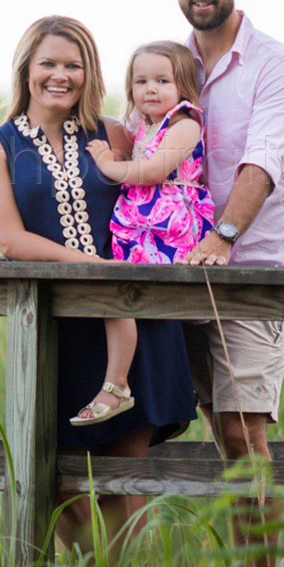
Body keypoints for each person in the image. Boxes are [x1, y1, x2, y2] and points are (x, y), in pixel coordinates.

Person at [0, 15, 198, 557]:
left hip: (132, 323)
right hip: (56, 329)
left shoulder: (114, 135)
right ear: (26, 69)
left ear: (89, 73)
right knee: (62, 486)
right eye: (48, 63)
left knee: (124, 480)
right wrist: (91, 267)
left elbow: (165, 190)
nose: (61, 76)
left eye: (73, 65)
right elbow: (9, 239)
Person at [171, 0, 284, 567]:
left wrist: (223, 236)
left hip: (257, 272)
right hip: (185, 276)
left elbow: (265, 159)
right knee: (223, 437)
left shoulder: (273, 64)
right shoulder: (173, 67)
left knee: (243, 437)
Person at [74, 41, 216, 426]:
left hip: (168, 227)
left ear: (183, 85)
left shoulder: (185, 124)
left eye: (162, 81)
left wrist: (107, 164)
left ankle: (130, 385)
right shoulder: (146, 127)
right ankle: (120, 382)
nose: (150, 89)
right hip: (142, 227)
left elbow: (152, 171)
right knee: (120, 294)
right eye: (141, 82)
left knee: (135, 296)